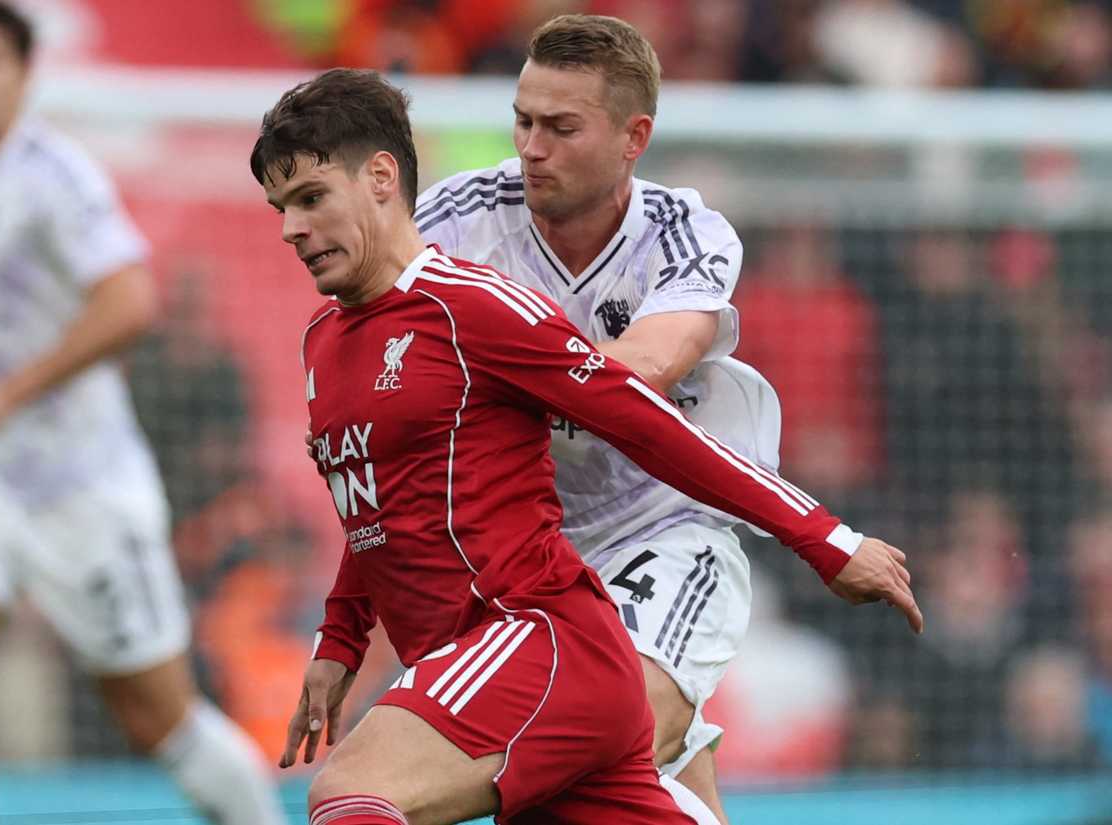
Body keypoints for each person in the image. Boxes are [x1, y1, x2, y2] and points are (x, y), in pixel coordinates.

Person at [255, 67, 922, 825]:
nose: (291, 229)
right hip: (477, 659)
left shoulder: (476, 307)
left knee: (347, 795)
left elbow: (648, 423)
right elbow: (379, 504)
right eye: (281, 208)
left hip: (536, 637)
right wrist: (339, 641)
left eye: (311, 199)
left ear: (381, 178)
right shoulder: (323, 341)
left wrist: (824, 537)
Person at [0, 3, 285, 825]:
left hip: (79, 482)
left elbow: (130, 301)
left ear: (23, 74)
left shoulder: (58, 177)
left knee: (157, 717)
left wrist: (5, 395)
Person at [413, 14, 800, 818]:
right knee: (619, 779)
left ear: (634, 137)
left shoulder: (685, 232)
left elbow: (648, 369)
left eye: (561, 127)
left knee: (583, 747)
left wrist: (499, 375)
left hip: (661, 523)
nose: (530, 148)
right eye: (522, 121)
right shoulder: (454, 219)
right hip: (523, 552)